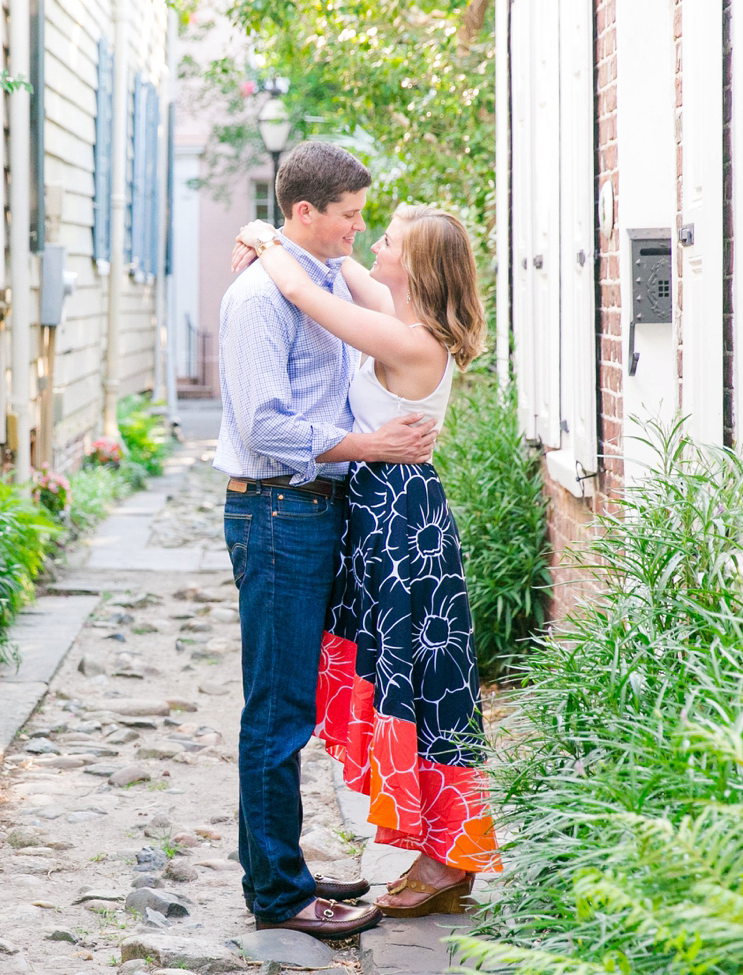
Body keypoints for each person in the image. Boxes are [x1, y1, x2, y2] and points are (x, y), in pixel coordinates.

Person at [231, 202, 499, 919]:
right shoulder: (401, 317)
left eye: (386, 240)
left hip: (398, 520)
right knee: (410, 677)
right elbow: (336, 266)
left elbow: (305, 292)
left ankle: (448, 855)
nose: (369, 242)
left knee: (418, 679)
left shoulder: (408, 339)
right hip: (387, 512)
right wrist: (277, 232)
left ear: (411, 267)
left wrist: (262, 236)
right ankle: (443, 848)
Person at [215, 142, 439, 940]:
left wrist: (264, 233)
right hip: (277, 511)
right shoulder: (261, 299)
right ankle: (276, 894)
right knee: (276, 710)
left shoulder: (320, 279)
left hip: (312, 513)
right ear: (306, 212)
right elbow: (264, 426)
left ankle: (284, 870)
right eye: (348, 215)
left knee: (293, 706)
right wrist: (370, 449)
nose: (359, 227)